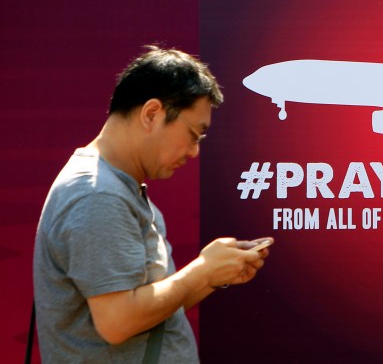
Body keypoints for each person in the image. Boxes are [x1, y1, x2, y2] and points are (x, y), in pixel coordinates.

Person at [33, 46, 271, 362]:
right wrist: (202, 270)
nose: (194, 152)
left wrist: (214, 275)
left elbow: (149, 313)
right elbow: (118, 322)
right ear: (151, 114)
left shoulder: (114, 186)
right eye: (194, 134)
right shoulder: (98, 195)